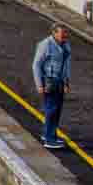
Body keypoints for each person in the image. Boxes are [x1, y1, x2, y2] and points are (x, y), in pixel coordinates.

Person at [31, 23, 72, 151]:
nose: (65, 35)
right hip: (49, 81)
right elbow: (36, 65)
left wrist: (66, 83)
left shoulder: (66, 46)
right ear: (54, 33)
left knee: (57, 110)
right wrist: (39, 85)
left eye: (66, 33)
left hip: (59, 81)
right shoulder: (45, 45)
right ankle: (49, 139)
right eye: (62, 33)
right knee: (51, 110)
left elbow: (66, 67)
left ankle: (50, 135)